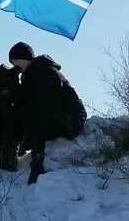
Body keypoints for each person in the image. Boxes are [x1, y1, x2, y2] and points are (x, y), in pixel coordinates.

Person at [10, 44, 86, 185]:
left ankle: (37, 169)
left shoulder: (46, 71)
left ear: (23, 58)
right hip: (58, 118)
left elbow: (46, 105)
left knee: (35, 117)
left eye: (14, 61)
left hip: (72, 120)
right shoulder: (29, 76)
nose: (13, 65)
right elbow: (22, 104)